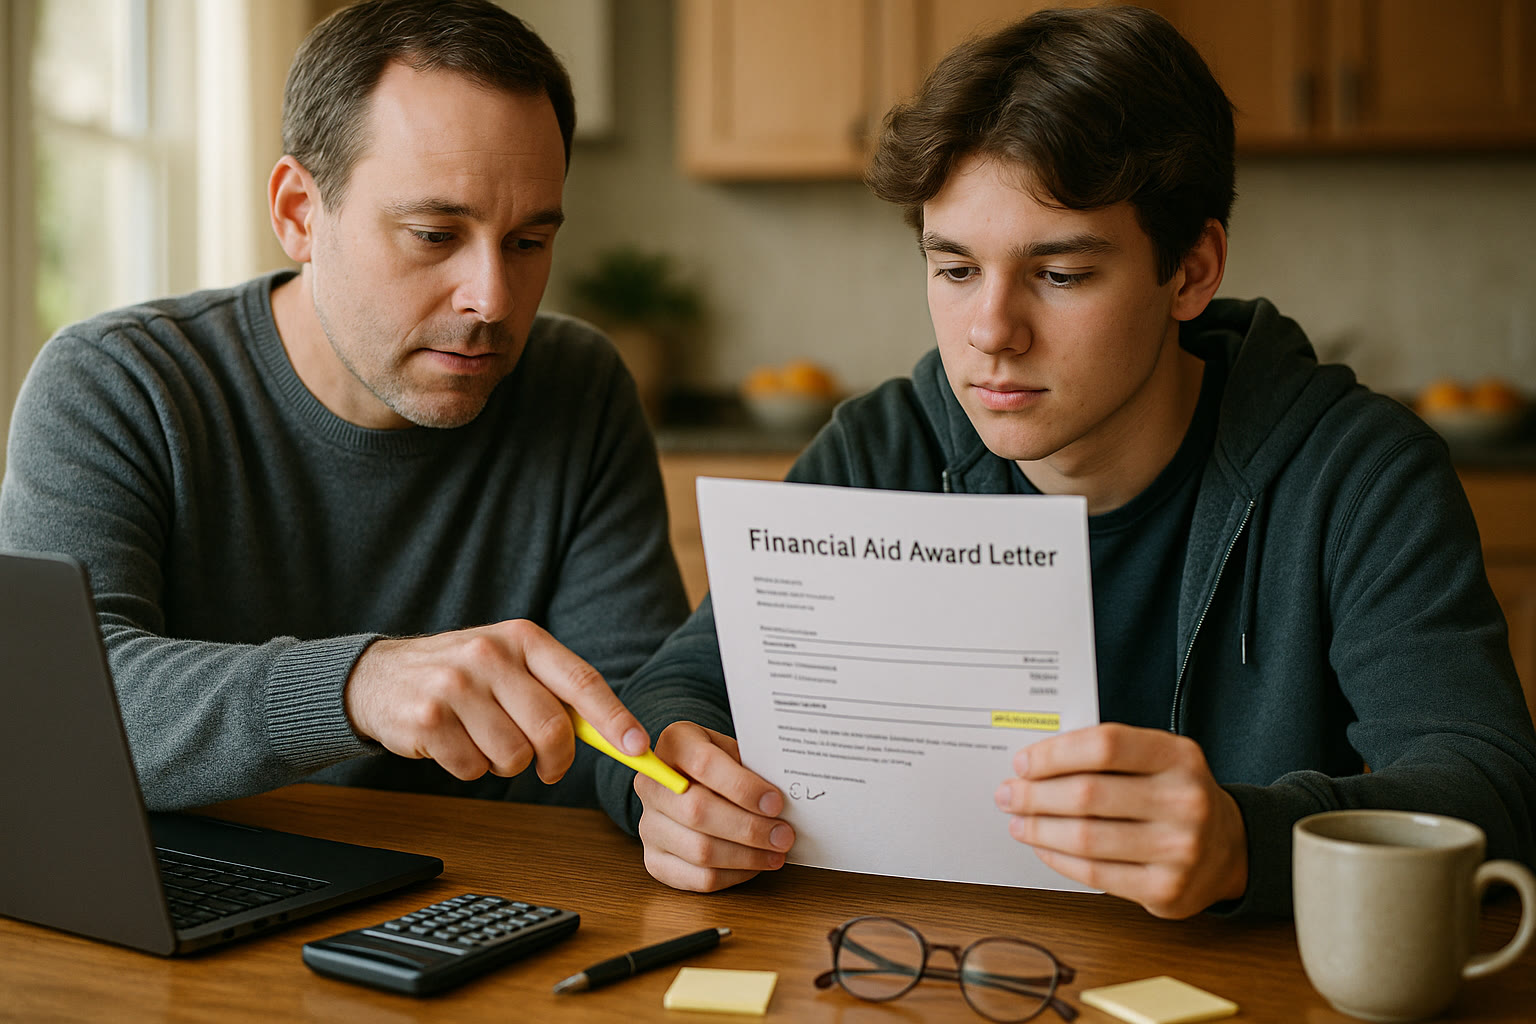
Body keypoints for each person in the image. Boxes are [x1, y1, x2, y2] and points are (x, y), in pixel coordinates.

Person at [595, 5, 1536, 918]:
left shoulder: (1358, 473)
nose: (991, 333)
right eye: (955, 269)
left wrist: (1248, 842)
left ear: (1192, 271)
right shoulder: (883, 446)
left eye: (1061, 274)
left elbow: (1490, 790)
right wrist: (667, 789)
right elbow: (672, 693)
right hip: (926, 966)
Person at [0, 0, 690, 811]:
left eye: (529, 242)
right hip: (202, 899)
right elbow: (55, 711)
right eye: (434, 234)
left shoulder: (579, 384)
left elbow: (624, 719)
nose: (494, 299)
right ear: (299, 211)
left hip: (484, 904)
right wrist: (357, 684)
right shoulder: (120, 385)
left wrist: (672, 799)